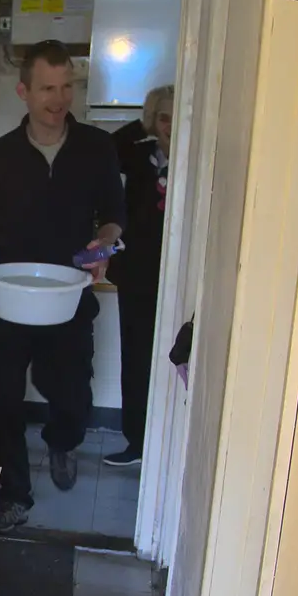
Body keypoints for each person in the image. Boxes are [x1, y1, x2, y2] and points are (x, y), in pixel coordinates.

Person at [0, 41, 126, 533]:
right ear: (24, 92)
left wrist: (101, 248)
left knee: (72, 393)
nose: (59, 99)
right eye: (48, 88)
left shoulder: (97, 148)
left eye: (67, 87)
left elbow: (115, 218)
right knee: (3, 396)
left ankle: (62, 440)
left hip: (70, 293)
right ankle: (13, 493)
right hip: (11, 294)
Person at [105, 85, 175, 467]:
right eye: (164, 117)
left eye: (180, 117)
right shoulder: (137, 155)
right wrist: (144, 123)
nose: (171, 126)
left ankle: (171, 443)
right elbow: (105, 147)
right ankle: (137, 443)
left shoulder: (199, 158)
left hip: (179, 278)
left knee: (175, 359)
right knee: (136, 359)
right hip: (136, 276)